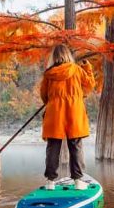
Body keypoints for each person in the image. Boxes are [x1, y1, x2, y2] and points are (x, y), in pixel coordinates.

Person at [40, 44, 96, 191]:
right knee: (75, 146)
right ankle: (78, 181)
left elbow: (43, 95)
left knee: (53, 146)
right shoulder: (77, 70)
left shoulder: (48, 74)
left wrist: (53, 102)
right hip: (74, 112)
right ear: (68, 55)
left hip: (54, 113)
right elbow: (90, 85)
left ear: (54, 57)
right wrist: (88, 69)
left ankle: (50, 182)